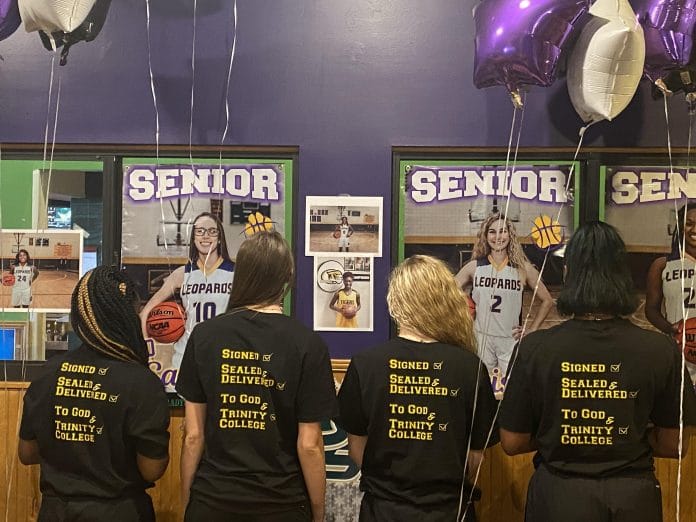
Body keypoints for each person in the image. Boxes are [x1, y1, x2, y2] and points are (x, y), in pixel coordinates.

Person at [499, 222, 696, 522]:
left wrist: (563, 436)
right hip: (633, 497)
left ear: (567, 275)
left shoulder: (533, 348)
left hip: (558, 497)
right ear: (623, 277)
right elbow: (674, 444)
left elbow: (512, 443)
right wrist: (625, 438)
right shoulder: (661, 349)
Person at [176, 231, 337, 522]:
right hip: (282, 504)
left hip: (213, 501)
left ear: (241, 275)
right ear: (287, 277)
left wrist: (188, 501)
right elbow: (310, 444)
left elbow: (193, 436)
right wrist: (318, 512)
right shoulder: (307, 344)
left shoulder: (204, 336)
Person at [338, 255, 499, 522]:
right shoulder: (469, 367)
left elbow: (356, 449)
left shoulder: (366, 364)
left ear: (395, 302)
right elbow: (475, 458)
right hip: (448, 510)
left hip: (383, 510)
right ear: (447, 301)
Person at [19, 266, 170, 522]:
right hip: (119, 512)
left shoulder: (48, 373)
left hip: (56, 512)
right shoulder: (141, 382)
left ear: (79, 316)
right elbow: (151, 469)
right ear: (130, 315)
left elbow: (27, 454)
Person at [455, 213, 554, 378]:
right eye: (492, 232)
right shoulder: (474, 267)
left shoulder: (523, 269)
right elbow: (445, 293)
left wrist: (531, 331)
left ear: (510, 235)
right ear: (486, 236)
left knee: (513, 391)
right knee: (479, 391)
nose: (498, 236)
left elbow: (547, 301)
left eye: (503, 231)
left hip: (510, 340)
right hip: (480, 338)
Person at [140, 212, 234, 370]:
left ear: (219, 238)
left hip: (223, 355)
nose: (205, 236)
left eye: (212, 231)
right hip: (185, 356)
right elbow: (145, 312)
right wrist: (147, 347)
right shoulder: (181, 274)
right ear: (193, 237)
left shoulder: (235, 273)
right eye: (200, 231)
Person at [646, 201, 696, 382]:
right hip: (676, 349)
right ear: (681, 227)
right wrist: (670, 328)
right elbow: (651, 309)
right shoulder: (662, 265)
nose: (694, 229)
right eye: (689, 223)